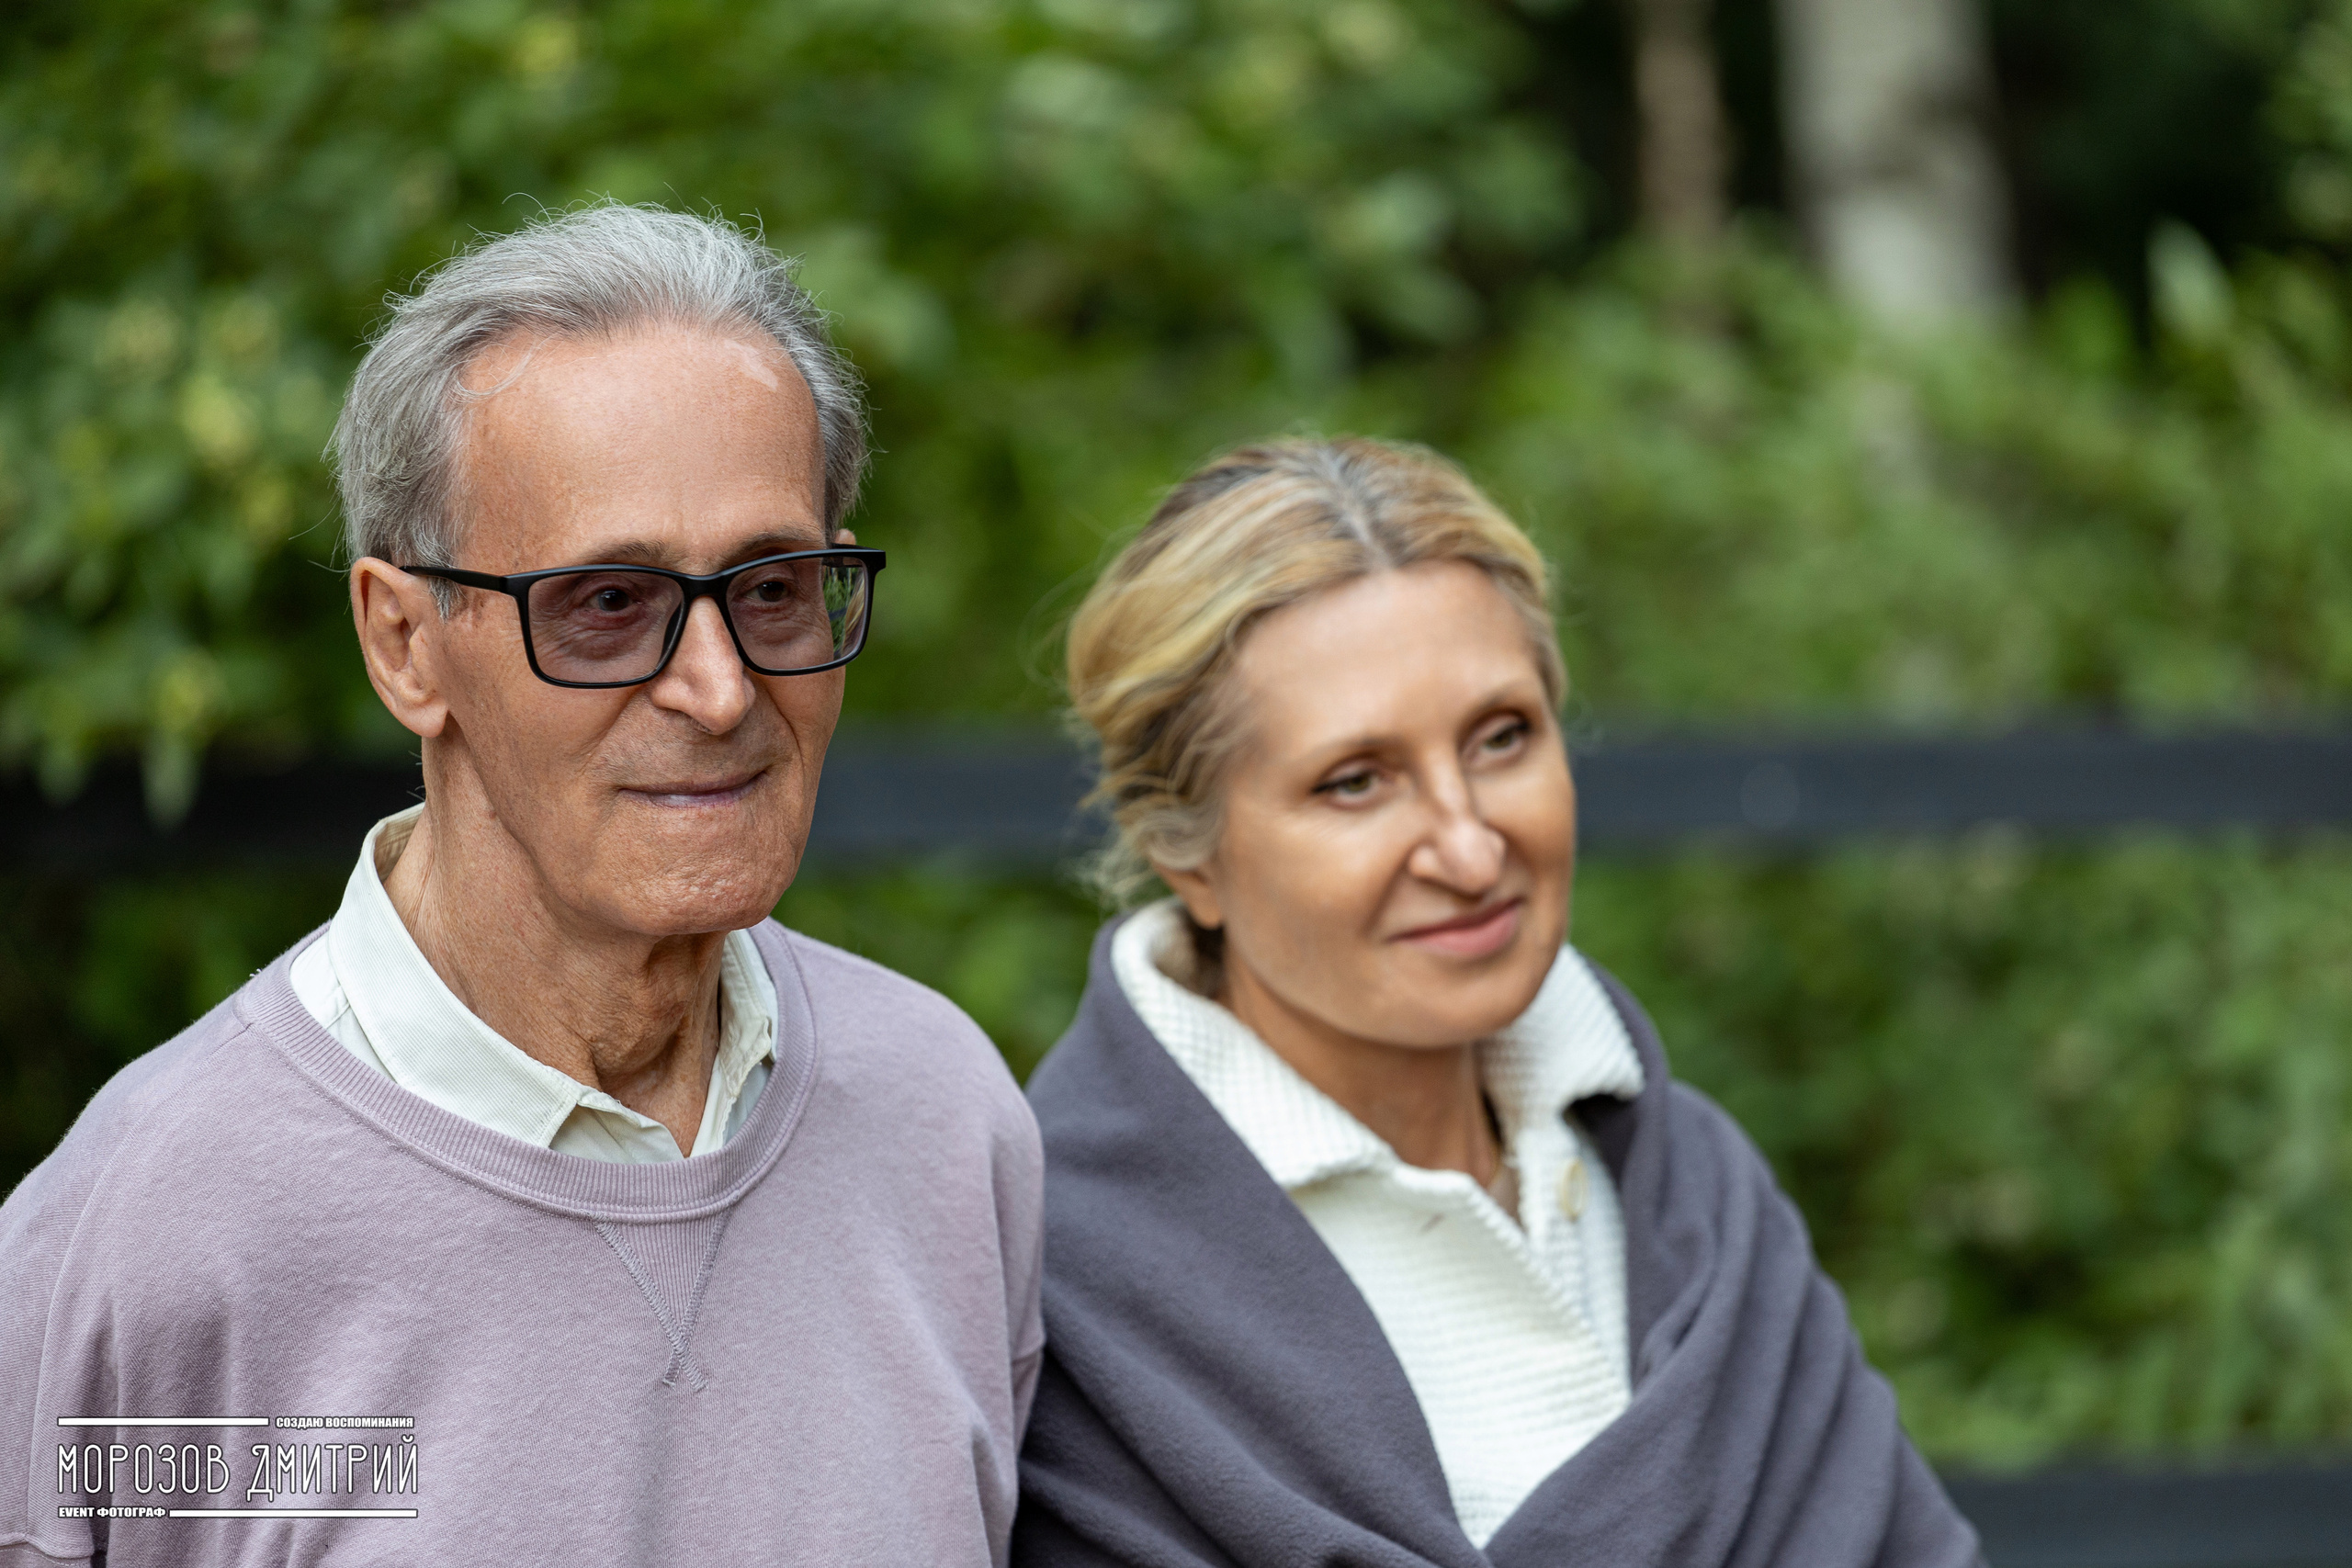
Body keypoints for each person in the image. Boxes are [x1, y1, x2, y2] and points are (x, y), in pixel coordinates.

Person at [0, 205, 1042, 1568]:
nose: (721, 688)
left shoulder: (944, 1121)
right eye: (607, 604)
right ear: (403, 642)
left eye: (775, 585)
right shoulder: (147, 1233)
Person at [1014, 438, 1981, 1567]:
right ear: (1188, 854)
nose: (1471, 849)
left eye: (1501, 739)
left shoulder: (1699, 1199)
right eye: (1355, 781)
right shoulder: (1057, 1277)